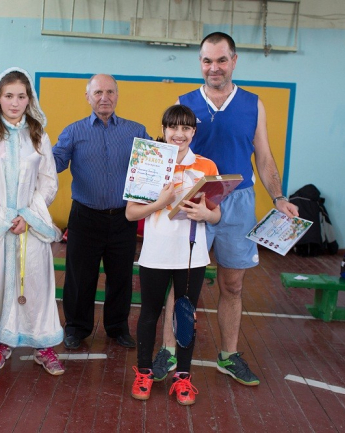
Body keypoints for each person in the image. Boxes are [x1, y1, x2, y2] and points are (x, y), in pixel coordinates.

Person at [155, 32, 299, 386]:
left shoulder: (253, 104)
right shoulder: (184, 102)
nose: (214, 67)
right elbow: (169, 152)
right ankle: (168, 350)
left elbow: (263, 156)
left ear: (234, 61)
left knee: (233, 284)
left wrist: (279, 197)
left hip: (238, 201)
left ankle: (228, 355)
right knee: (181, 282)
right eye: (207, 60)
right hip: (194, 198)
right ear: (200, 63)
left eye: (221, 60)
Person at [0, 67, 65, 376]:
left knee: (35, 285)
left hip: (29, 226)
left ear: (29, 99)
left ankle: (42, 346)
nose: (14, 102)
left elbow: (48, 181)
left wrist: (27, 216)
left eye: (21, 96)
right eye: (8, 96)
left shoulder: (38, 136)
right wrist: (2, 219)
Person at [127, 105, 220, 405]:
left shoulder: (206, 166)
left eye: (186, 128)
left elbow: (216, 214)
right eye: (173, 127)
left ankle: (183, 377)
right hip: (155, 253)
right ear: (164, 129)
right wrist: (161, 202)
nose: (179, 134)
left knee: (185, 316)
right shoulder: (148, 162)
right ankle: (144, 373)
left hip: (192, 256)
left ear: (194, 132)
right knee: (149, 314)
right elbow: (131, 213)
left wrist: (206, 214)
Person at [53, 74, 151, 349]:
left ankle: (118, 328)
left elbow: (155, 163)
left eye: (109, 92)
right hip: (85, 216)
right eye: (98, 92)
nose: (104, 97)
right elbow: (55, 162)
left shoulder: (136, 131)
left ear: (117, 96)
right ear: (88, 97)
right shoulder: (73, 132)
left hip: (123, 217)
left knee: (121, 277)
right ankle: (76, 328)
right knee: (79, 276)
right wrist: (34, 154)